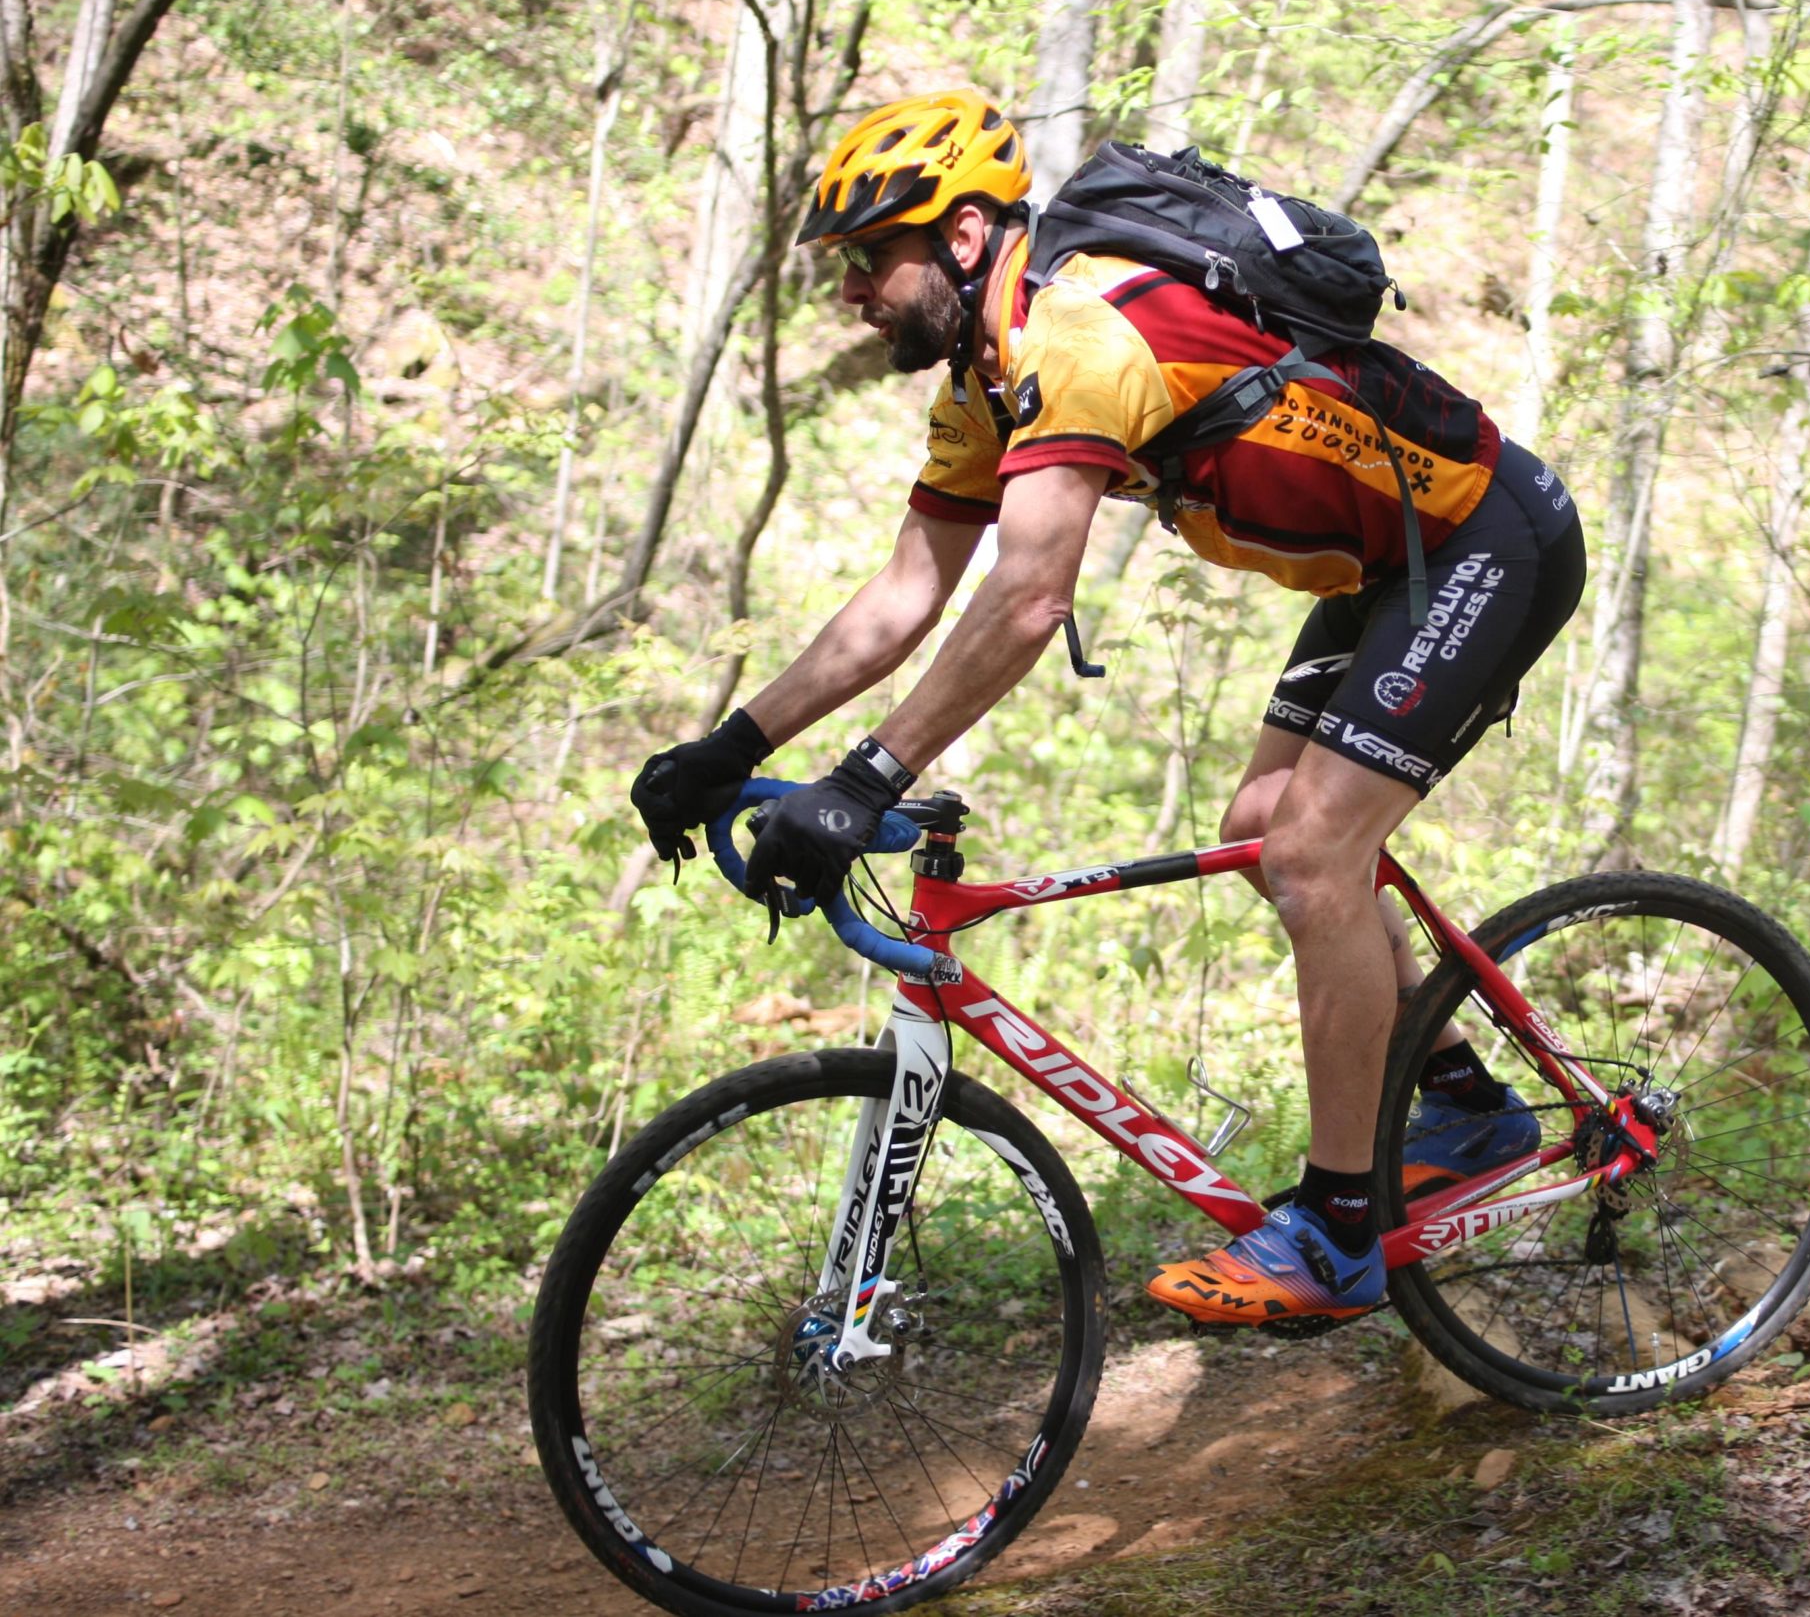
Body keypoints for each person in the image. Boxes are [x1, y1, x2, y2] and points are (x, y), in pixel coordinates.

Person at [629, 89, 1585, 1331]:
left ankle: (1343, 1230)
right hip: (1384, 566)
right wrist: (735, 745)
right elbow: (911, 585)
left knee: (1308, 854)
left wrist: (862, 781)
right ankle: (1460, 1103)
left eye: (873, 257)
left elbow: (1026, 601)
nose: (853, 291)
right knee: (1263, 826)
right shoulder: (990, 378)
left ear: (963, 239)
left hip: (1483, 540)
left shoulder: (1080, 336)